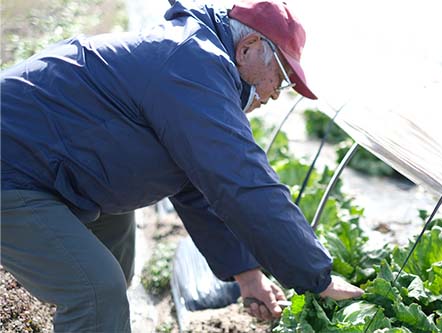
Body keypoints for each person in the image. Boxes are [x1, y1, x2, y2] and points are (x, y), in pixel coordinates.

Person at [0, 0, 363, 331]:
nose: (273, 94)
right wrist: (318, 276)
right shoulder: (190, 66)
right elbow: (241, 181)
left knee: (117, 256)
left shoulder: (197, 64)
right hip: (13, 166)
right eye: (280, 79)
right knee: (96, 291)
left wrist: (247, 273)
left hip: (57, 165)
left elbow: (196, 184)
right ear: (248, 48)